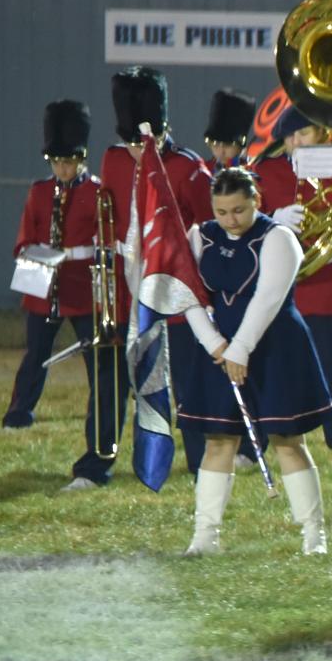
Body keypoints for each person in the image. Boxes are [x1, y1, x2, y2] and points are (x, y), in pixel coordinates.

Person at [178, 167, 332, 556]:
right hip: (220, 350)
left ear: (257, 202)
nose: (231, 220)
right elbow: (188, 294)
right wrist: (215, 344)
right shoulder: (199, 236)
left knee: (287, 440)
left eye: (239, 210)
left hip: (275, 346)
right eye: (222, 211)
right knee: (218, 440)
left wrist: (240, 348)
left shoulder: (279, 238)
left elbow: (269, 299)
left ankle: (314, 536)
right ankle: (205, 538)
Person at [5, 101, 132, 493]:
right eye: (56, 161)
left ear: (81, 158)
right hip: (44, 288)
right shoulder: (39, 191)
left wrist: (74, 254)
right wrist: (36, 253)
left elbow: (107, 243)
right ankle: (19, 412)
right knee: (35, 353)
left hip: (84, 292)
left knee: (101, 368)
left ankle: (99, 447)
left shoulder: (97, 193)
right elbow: (24, 240)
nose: (62, 169)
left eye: (69, 161)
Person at [96, 67, 215, 476]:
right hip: (133, 294)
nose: (138, 150)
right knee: (135, 380)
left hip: (178, 292)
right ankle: (131, 461)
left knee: (187, 382)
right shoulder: (112, 160)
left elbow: (209, 225)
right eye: (131, 142)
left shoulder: (188, 165)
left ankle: (201, 462)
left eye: (147, 140)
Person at [253, 105, 332, 474]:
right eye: (289, 137)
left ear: (322, 133)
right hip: (279, 290)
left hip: (327, 292)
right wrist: (269, 221)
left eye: (303, 134)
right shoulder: (263, 173)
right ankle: (254, 443)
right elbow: (239, 226)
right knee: (268, 370)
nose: (294, 143)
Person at [202, 89, 258, 169]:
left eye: (227, 144)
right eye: (215, 143)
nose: (220, 152)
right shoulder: (203, 173)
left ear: (242, 142)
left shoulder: (256, 173)